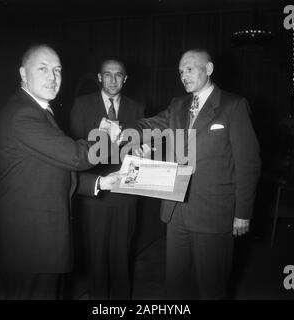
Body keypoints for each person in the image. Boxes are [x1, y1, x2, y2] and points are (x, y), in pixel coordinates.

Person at [119, 48, 261, 299]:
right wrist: (124, 129)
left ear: (209, 69)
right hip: (176, 213)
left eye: (190, 69)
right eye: (180, 71)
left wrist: (243, 213)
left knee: (211, 288)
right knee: (175, 286)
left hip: (214, 213)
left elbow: (248, 164)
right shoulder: (178, 104)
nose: (183, 75)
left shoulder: (233, 105)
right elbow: (149, 124)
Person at [0, 44, 119, 300]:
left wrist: (101, 183)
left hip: (39, 242)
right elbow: (76, 156)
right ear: (24, 73)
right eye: (43, 68)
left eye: (57, 70)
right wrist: (105, 136)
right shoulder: (23, 114)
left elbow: (53, 169)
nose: (52, 77)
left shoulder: (38, 111)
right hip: (29, 245)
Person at [70, 58, 145, 299]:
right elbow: (74, 151)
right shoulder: (81, 105)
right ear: (99, 78)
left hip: (126, 195)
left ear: (126, 78)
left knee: (122, 258)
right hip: (95, 195)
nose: (113, 79)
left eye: (119, 74)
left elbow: (140, 146)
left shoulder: (137, 107)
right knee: (96, 259)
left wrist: (143, 150)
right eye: (108, 74)